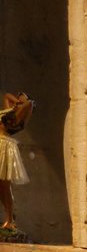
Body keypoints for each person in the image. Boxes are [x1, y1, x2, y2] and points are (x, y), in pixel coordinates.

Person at [0, 92, 34, 232]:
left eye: (22, 95)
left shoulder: (18, 116)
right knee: (1, 187)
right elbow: (7, 95)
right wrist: (16, 102)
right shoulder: (10, 110)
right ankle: (9, 215)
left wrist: (23, 102)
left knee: (5, 185)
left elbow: (30, 103)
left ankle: (9, 219)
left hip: (3, 146)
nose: (19, 95)